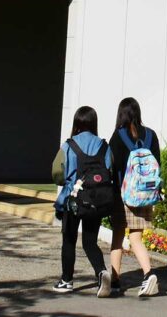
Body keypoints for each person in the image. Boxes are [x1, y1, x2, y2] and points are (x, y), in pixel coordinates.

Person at [52, 106, 115, 296]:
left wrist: (66, 182)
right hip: (96, 200)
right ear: (94, 123)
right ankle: (102, 272)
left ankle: (66, 281)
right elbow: (110, 171)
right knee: (90, 242)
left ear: (76, 123)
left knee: (69, 240)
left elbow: (57, 173)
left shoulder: (69, 145)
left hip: (72, 200)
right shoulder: (104, 146)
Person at [106, 97, 162, 297]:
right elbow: (158, 164)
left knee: (117, 238)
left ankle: (115, 281)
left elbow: (112, 167)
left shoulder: (118, 136)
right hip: (145, 194)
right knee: (136, 238)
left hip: (124, 195)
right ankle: (148, 274)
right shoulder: (151, 135)